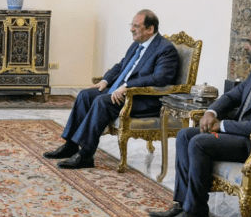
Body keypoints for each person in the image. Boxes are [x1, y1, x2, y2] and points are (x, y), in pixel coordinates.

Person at [150, 24, 251, 217]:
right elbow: (232, 96)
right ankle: (182, 204)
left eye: (250, 42)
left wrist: (222, 126)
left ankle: (196, 213)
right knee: (185, 135)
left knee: (200, 142)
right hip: (246, 137)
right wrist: (211, 112)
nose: (245, 47)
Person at [44, 9, 179, 169]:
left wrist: (127, 86)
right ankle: (71, 145)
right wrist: (105, 80)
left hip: (142, 99)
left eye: (136, 26)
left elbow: (160, 78)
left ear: (150, 29)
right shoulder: (138, 44)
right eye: (132, 25)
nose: (131, 29)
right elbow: (121, 65)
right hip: (119, 91)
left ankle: (86, 155)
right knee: (85, 95)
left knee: (102, 101)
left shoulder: (165, 49)